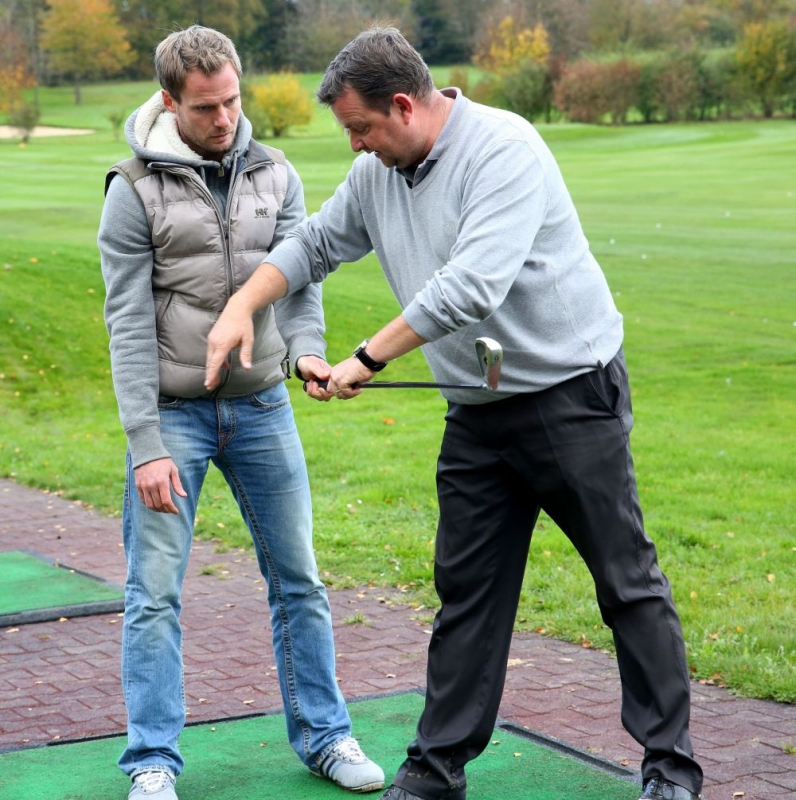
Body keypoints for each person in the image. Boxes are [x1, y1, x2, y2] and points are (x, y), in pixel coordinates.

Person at [204, 25, 704, 800]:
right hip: (478, 410)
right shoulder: (378, 175)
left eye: (361, 129)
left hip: (572, 397)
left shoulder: (505, 148)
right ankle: (435, 770)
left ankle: (671, 769)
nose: (355, 147)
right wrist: (243, 305)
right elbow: (312, 246)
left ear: (403, 106)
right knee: (467, 592)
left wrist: (365, 358)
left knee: (625, 584)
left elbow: (472, 286)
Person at [98, 25, 384, 800]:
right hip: (173, 416)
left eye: (231, 100)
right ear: (169, 101)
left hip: (261, 409)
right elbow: (125, 324)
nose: (224, 118)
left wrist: (307, 354)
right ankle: (152, 761)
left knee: (300, 581)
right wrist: (145, 444)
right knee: (153, 594)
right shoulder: (132, 189)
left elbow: (300, 282)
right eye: (205, 107)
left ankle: (325, 738)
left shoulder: (275, 171)